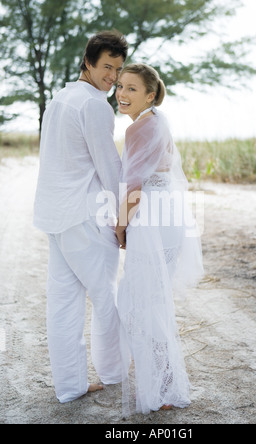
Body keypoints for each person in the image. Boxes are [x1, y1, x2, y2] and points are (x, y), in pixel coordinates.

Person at [33, 31, 128, 403]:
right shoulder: (93, 105)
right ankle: (114, 372)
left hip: (56, 217)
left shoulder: (60, 98)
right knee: (106, 300)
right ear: (88, 62)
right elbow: (110, 168)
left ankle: (70, 386)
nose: (113, 77)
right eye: (107, 67)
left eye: (118, 70)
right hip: (85, 218)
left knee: (63, 304)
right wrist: (124, 219)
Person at [115, 64, 204, 416]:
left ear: (150, 94)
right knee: (152, 299)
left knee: (140, 301)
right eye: (120, 86)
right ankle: (163, 379)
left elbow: (135, 187)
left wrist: (119, 225)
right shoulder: (157, 121)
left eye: (132, 89)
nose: (122, 94)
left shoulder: (140, 127)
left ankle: (162, 384)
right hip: (170, 216)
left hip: (151, 217)